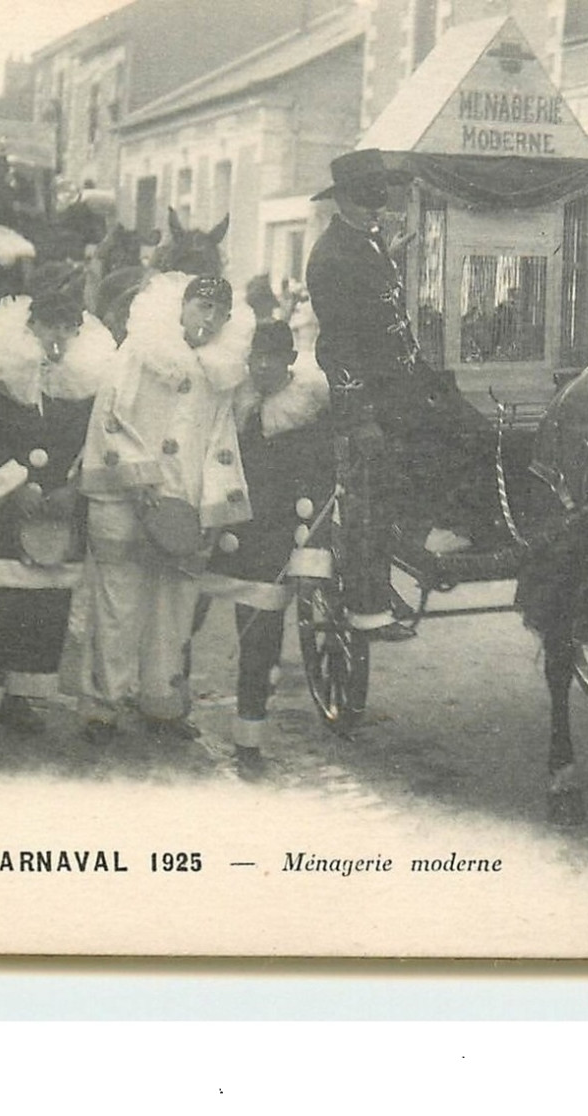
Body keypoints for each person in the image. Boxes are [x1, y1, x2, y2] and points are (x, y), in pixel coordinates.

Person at [305, 148, 500, 640]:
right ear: (343, 200)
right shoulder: (331, 257)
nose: (377, 206)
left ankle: (452, 530)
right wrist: (359, 417)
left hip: (408, 383)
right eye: (366, 198)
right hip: (374, 397)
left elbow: (376, 302)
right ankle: (371, 600)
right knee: (375, 489)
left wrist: (389, 254)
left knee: (479, 433)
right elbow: (338, 346)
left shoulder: (367, 243)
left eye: (381, 196)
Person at [77, 273, 255, 743]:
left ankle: (162, 701)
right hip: (128, 498)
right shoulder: (140, 352)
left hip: (185, 505)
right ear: (182, 305)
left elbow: (222, 440)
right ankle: (104, 706)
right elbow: (109, 415)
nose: (209, 318)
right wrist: (137, 479)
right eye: (202, 307)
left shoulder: (219, 373)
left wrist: (214, 508)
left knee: (173, 608)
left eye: (219, 312)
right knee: (118, 605)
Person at [0, 268, 116, 740]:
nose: (58, 337)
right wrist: (16, 486)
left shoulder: (84, 387)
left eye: (68, 328)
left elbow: (92, 445)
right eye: (49, 327)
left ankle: (21, 697)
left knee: (45, 609)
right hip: (2, 508)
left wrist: (72, 489)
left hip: (57, 512)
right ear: (31, 328)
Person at [200, 320, 332, 779]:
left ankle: (248, 741)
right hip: (222, 529)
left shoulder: (306, 415)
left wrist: (307, 555)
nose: (260, 367)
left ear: (290, 361)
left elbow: (317, 489)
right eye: (254, 358)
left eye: (270, 359)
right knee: (182, 616)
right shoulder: (235, 404)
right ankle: (164, 704)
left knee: (258, 642)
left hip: (271, 542)